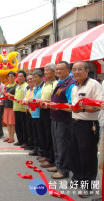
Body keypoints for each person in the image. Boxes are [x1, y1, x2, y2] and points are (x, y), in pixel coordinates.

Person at [70, 60, 101, 198]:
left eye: (79, 69)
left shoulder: (94, 85)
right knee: (75, 153)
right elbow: (73, 105)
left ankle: (88, 185)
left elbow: (99, 105)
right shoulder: (75, 87)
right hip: (75, 122)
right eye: (74, 69)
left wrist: (82, 108)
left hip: (89, 125)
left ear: (87, 70)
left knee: (88, 155)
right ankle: (77, 178)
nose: (76, 72)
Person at [47, 61, 75, 179]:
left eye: (61, 69)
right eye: (57, 69)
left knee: (63, 145)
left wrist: (56, 106)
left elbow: (71, 105)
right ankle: (58, 165)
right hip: (55, 118)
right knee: (57, 144)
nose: (58, 71)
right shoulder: (60, 83)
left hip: (64, 120)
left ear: (68, 70)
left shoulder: (70, 85)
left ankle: (64, 170)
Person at [36, 63, 58, 168]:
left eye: (47, 70)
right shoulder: (45, 83)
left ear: (54, 71)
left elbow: (55, 100)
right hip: (42, 110)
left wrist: (43, 101)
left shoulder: (56, 84)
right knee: (44, 134)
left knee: (50, 135)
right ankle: (46, 154)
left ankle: (51, 158)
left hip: (50, 110)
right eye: (44, 70)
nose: (45, 72)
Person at [28, 71, 45, 160]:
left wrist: (34, 101)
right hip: (33, 113)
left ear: (41, 77)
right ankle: (36, 149)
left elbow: (42, 99)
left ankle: (41, 151)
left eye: (36, 77)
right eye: (33, 77)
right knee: (35, 134)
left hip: (39, 114)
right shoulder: (36, 87)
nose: (34, 79)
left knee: (40, 134)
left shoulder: (43, 87)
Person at [13, 70, 28, 146]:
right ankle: (20, 140)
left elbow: (26, 97)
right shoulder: (17, 86)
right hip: (16, 108)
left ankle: (25, 142)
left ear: (24, 77)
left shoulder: (26, 86)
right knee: (17, 126)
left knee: (23, 127)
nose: (19, 78)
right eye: (18, 76)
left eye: (21, 76)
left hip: (23, 109)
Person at [3, 71, 17, 143]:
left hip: (12, 106)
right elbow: (4, 95)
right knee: (8, 122)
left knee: (12, 122)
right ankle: (9, 136)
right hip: (6, 105)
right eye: (9, 76)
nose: (10, 77)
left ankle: (12, 137)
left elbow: (18, 96)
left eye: (12, 76)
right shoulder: (6, 85)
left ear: (15, 77)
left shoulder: (16, 85)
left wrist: (10, 95)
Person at [22, 74, 34, 149]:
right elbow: (25, 98)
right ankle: (30, 144)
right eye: (28, 79)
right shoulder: (28, 89)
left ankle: (33, 145)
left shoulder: (36, 89)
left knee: (33, 130)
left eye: (31, 79)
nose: (29, 80)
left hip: (34, 112)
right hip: (28, 111)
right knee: (29, 128)